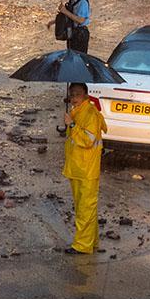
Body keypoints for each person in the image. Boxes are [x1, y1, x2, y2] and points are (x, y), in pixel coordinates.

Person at [62, 82, 107, 254]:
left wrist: (72, 125)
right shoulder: (77, 111)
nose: (74, 98)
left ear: (86, 96)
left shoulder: (90, 114)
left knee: (84, 209)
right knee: (86, 207)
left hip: (87, 170)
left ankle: (82, 245)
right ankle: (91, 241)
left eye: (77, 95)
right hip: (77, 168)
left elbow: (87, 141)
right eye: (72, 94)